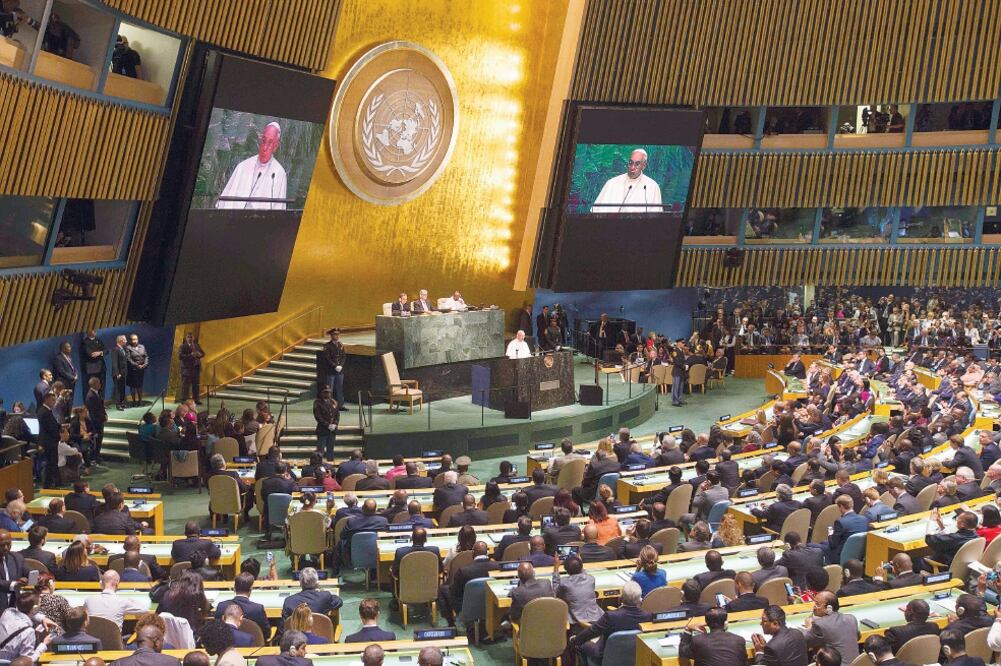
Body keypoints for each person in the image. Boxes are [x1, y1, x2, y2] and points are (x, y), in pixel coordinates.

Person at [569, 581, 652, 662]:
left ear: (621, 598)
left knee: (579, 644)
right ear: (640, 599)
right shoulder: (648, 617)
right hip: (635, 658)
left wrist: (575, 640)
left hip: (604, 656)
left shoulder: (611, 616)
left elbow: (591, 631)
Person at [216, 122, 287, 210]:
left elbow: (279, 211)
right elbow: (224, 204)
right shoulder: (243, 166)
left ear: (275, 147)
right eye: (264, 141)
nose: (264, 148)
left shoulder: (280, 174)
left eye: (270, 143)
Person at [590, 148, 663, 213]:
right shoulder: (612, 183)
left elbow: (656, 216)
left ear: (644, 166)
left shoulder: (652, 186)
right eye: (630, 163)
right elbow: (596, 212)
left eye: (637, 164)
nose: (632, 167)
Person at [800, 591, 859, 665]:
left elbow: (804, 641)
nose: (814, 607)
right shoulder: (851, 618)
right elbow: (858, 637)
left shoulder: (820, 625)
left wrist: (809, 627)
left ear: (829, 608)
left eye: (817, 604)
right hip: (857, 663)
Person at [678, 607, 749, 666]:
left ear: (707, 623)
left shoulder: (698, 640)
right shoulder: (739, 640)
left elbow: (682, 652)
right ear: (725, 623)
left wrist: (688, 630)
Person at [84, 570, 150, 628]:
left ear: (101, 583)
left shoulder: (89, 600)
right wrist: (131, 600)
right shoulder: (123, 601)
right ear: (117, 583)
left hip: (92, 638)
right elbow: (145, 609)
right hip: (114, 638)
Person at [213, 572, 270, 637]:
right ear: (251, 589)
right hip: (253, 643)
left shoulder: (221, 606)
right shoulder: (258, 609)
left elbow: (216, 630)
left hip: (226, 643)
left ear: (234, 588)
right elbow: (267, 634)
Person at [0, 591, 51, 661]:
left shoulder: (7, 612)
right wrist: (44, 644)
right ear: (35, 608)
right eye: (40, 605)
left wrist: (42, 618)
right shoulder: (28, 632)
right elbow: (27, 661)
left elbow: (22, 612)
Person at [320, 328, 347, 411]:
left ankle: (340, 405)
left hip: (339, 371)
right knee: (329, 390)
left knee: (339, 388)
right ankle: (329, 406)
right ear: (331, 336)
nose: (337, 336)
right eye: (335, 334)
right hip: (331, 371)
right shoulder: (327, 346)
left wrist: (341, 365)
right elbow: (327, 358)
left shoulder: (340, 345)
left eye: (338, 334)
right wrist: (335, 366)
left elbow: (343, 356)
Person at [312, 387, 338, 462]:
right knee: (320, 450)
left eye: (329, 392)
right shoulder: (317, 403)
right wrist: (327, 425)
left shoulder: (333, 402)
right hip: (322, 430)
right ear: (322, 393)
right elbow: (318, 416)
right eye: (326, 392)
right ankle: (318, 464)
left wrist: (335, 424)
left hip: (332, 430)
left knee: (330, 450)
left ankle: (330, 464)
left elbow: (337, 415)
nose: (328, 394)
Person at [178, 332, 204, 403]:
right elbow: (180, 356)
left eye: (191, 337)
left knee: (196, 385)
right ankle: (184, 400)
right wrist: (191, 355)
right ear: (186, 338)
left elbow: (203, 353)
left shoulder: (197, 345)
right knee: (185, 386)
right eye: (188, 337)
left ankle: (196, 399)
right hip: (187, 369)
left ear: (193, 338)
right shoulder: (182, 346)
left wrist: (199, 354)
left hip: (196, 368)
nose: (190, 338)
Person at [125, 334, 148, 406]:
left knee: (140, 385)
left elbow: (146, 356)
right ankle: (134, 401)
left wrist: (145, 364)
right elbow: (129, 359)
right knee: (133, 386)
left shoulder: (142, 346)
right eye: (133, 339)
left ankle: (140, 401)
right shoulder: (128, 348)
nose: (135, 341)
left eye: (136, 339)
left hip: (141, 370)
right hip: (133, 370)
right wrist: (137, 365)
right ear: (130, 340)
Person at [110, 335, 128, 410]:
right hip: (118, 374)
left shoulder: (122, 349)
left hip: (123, 373)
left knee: (122, 388)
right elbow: (115, 363)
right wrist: (117, 373)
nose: (126, 341)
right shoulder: (115, 350)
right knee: (118, 389)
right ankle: (118, 404)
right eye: (125, 340)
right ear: (120, 341)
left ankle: (122, 402)